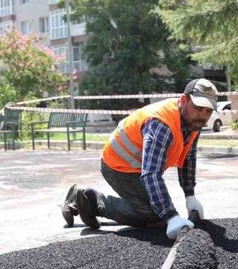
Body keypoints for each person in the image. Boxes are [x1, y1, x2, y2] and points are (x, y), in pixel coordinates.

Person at [61, 78, 218, 240]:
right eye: (198, 108)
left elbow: (188, 158)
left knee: (158, 211)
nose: (203, 116)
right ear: (184, 100)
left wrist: (190, 195)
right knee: (154, 216)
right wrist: (171, 215)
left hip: (138, 167)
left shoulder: (192, 122)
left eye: (208, 111)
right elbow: (151, 174)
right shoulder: (162, 124)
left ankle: (85, 200)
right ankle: (91, 201)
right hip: (118, 165)